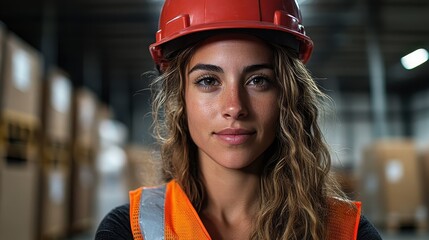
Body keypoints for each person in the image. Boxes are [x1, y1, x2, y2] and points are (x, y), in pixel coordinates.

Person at [96, 0, 382, 239]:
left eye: (258, 80)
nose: (234, 107)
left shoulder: (348, 232)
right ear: (180, 97)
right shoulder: (130, 231)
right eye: (208, 81)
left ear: (287, 95)